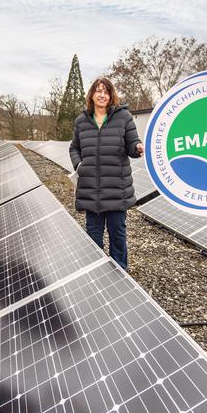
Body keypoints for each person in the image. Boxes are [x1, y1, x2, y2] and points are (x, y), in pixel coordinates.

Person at [69, 77, 144, 270]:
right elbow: (74, 148)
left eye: (106, 91)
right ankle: (97, 273)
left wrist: (137, 148)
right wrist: (79, 165)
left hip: (116, 189)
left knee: (117, 233)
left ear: (111, 96)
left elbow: (132, 145)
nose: (102, 95)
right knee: (93, 234)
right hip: (90, 189)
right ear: (92, 95)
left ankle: (120, 273)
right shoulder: (81, 121)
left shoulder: (123, 117)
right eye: (98, 91)